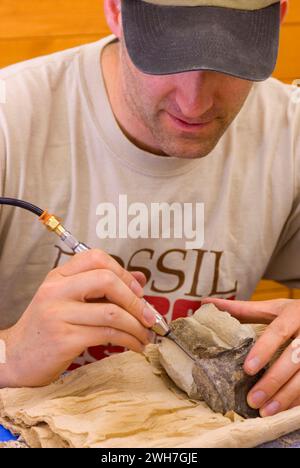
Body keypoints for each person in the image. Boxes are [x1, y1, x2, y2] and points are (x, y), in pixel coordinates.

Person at [0, 0, 299, 417]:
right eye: (166, 60)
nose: (194, 105)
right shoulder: (9, 123)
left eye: (228, 64)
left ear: (280, 16)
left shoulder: (290, 132)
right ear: (116, 11)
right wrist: (9, 353)